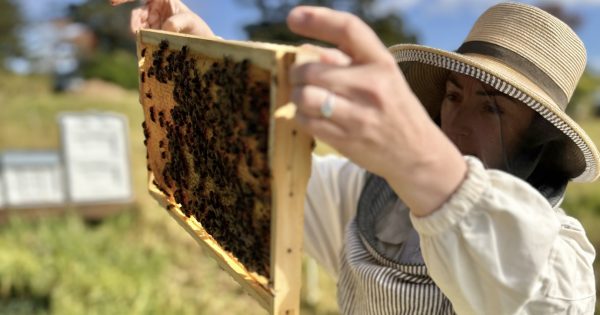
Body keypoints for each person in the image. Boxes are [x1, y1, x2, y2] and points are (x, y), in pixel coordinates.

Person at [112, 1, 599, 313]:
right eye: (453, 96)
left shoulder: (560, 259)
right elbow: (263, 172)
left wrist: (422, 162)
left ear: (539, 142)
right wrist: (201, 57)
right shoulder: (365, 191)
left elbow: (542, 295)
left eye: (492, 107)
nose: (458, 123)